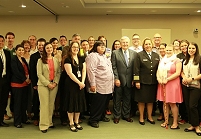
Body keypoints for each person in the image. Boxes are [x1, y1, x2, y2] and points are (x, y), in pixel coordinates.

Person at [86, 41, 114, 128]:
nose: (103, 48)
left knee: (104, 102)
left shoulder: (104, 56)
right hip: (99, 84)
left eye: (104, 46)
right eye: (100, 46)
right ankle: (93, 119)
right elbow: (91, 71)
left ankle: (101, 116)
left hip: (107, 85)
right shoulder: (93, 56)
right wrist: (92, 84)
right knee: (98, 103)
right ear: (95, 47)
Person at [134, 38, 160, 125]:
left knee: (150, 100)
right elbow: (136, 69)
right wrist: (137, 81)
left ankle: (149, 117)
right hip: (142, 82)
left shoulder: (156, 55)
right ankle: (141, 117)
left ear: (152, 45)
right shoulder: (139, 55)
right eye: (146, 44)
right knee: (141, 100)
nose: (148, 46)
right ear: (143, 46)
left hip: (153, 82)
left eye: (149, 44)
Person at [112, 36, 137, 124]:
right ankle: (116, 116)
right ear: (121, 43)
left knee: (127, 99)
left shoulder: (134, 53)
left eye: (126, 42)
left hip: (130, 80)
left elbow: (135, 68)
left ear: (129, 43)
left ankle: (126, 115)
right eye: (123, 42)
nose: (125, 44)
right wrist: (116, 78)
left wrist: (134, 79)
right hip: (119, 80)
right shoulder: (115, 53)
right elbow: (114, 67)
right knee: (117, 99)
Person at [157, 45, 183, 129]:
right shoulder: (163, 60)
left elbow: (178, 73)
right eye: (167, 50)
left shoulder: (177, 60)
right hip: (163, 83)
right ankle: (166, 121)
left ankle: (175, 122)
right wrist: (159, 79)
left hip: (172, 83)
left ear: (173, 50)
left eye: (170, 50)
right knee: (165, 103)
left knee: (172, 103)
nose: (168, 51)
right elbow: (158, 71)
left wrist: (167, 79)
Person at [37, 42, 60, 133]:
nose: (49, 49)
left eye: (50, 47)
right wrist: (48, 84)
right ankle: (43, 125)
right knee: (44, 105)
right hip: (43, 85)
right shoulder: (40, 60)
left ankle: (49, 122)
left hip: (54, 85)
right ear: (44, 50)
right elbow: (39, 74)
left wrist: (55, 82)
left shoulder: (56, 60)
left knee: (51, 105)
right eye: (47, 48)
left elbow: (58, 73)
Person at [63, 42, 86, 132]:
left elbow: (84, 70)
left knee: (78, 103)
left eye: (77, 47)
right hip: (71, 84)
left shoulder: (81, 58)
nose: (75, 49)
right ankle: (71, 123)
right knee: (71, 104)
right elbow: (69, 73)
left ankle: (77, 122)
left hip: (80, 84)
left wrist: (82, 82)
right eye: (73, 47)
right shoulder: (67, 59)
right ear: (70, 48)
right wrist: (79, 83)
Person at [181, 42, 201, 136]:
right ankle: (192, 125)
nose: (191, 50)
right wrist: (184, 78)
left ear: (196, 49)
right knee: (188, 106)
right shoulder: (185, 60)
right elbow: (181, 71)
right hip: (186, 86)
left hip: (195, 86)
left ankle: (197, 126)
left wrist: (191, 79)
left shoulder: (199, 59)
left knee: (193, 106)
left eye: (193, 48)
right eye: (189, 48)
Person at [11, 44, 31, 128]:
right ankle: (17, 122)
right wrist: (25, 79)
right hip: (17, 84)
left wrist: (28, 79)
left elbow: (27, 70)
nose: (21, 52)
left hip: (25, 84)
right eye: (19, 50)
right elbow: (15, 71)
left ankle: (23, 119)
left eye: (22, 50)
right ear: (15, 51)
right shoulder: (13, 59)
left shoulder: (23, 59)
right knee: (17, 103)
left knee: (24, 103)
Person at [29, 38, 46, 126]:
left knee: (45, 101)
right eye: (39, 45)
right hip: (37, 83)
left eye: (42, 45)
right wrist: (34, 84)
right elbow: (32, 71)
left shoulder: (49, 55)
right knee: (36, 101)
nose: (41, 47)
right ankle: (36, 117)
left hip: (47, 82)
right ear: (37, 46)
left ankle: (45, 118)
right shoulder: (33, 56)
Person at [177, 39, 189, 125]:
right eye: (182, 46)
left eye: (185, 45)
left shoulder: (193, 55)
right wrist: (184, 77)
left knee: (193, 101)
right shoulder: (178, 56)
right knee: (182, 100)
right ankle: (184, 117)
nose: (184, 47)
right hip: (181, 80)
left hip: (194, 80)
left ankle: (196, 119)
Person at [0, 35, 11, 127]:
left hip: (5, 80)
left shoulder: (7, 53)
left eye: (2, 41)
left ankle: (1, 120)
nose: (1, 43)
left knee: (3, 101)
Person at [21, 40, 32, 119]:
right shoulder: (20, 56)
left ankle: (29, 112)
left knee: (30, 96)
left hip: (30, 79)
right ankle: (22, 113)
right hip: (22, 79)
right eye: (25, 45)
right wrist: (25, 78)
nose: (27, 47)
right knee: (22, 97)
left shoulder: (32, 55)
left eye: (28, 45)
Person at [156, 43, 167, 121]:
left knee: (167, 98)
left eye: (163, 48)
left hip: (167, 80)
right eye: (160, 48)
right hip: (159, 80)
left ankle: (166, 114)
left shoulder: (170, 58)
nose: (162, 50)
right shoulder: (157, 57)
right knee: (160, 98)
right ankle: (161, 113)